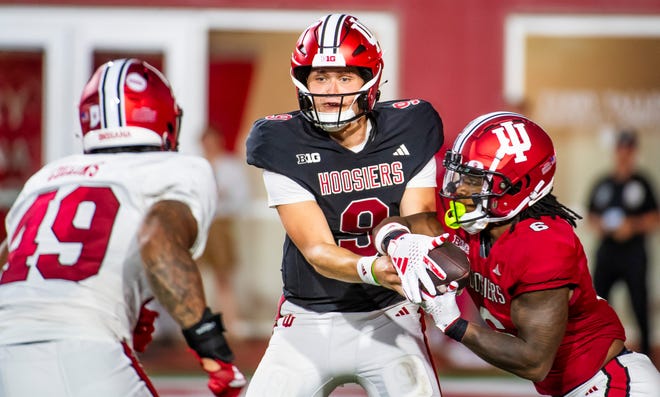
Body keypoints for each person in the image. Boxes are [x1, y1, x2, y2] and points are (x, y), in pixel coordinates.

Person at [0, 58, 246, 397]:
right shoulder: (177, 168)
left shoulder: (46, 177)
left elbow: (9, 261)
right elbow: (157, 237)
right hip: (83, 344)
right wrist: (210, 345)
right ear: (164, 118)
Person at [372, 112, 660, 396]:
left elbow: (534, 362)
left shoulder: (543, 244)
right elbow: (398, 223)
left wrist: (453, 323)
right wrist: (397, 242)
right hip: (576, 387)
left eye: (474, 180)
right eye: (460, 176)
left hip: (611, 384)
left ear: (517, 186)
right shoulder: (471, 226)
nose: (458, 189)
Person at [244, 13, 445, 397]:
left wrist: (425, 262)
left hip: (390, 314)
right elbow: (317, 249)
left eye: (345, 77)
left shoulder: (411, 127)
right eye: (320, 77)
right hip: (306, 320)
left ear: (369, 81)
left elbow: (419, 218)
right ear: (303, 82)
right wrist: (376, 267)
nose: (332, 90)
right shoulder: (282, 141)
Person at [587, 129, 660, 357]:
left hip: (634, 254)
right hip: (608, 253)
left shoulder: (642, 183)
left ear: (634, 152)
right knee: (596, 303)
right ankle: (595, 350)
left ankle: (647, 355)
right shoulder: (603, 184)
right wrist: (603, 226)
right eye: (621, 149)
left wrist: (632, 226)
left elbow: (654, 218)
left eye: (629, 150)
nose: (624, 154)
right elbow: (591, 216)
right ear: (616, 151)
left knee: (639, 305)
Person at [198, 126, 251, 336]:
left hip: (220, 221)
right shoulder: (196, 165)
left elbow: (241, 197)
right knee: (197, 276)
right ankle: (200, 322)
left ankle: (230, 321)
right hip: (199, 222)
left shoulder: (230, 166)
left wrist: (222, 194)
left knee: (223, 275)